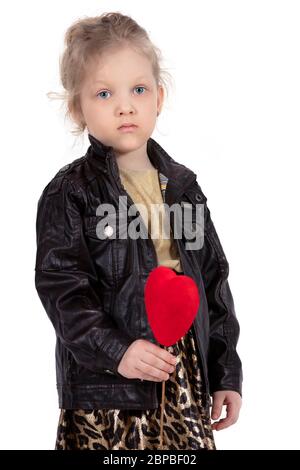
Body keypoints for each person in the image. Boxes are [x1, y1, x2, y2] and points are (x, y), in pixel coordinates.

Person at [34, 12, 243, 451]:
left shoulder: (184, 187)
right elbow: (63, 289)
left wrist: (225, 373)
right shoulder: (71, 193)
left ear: (159, 97)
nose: (125, 105)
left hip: (181, 369)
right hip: (108, 383)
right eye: (105, 93)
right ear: (78, 108)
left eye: (139, 89)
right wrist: (118, 352)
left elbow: (213, 281)